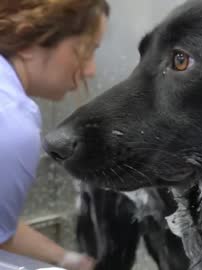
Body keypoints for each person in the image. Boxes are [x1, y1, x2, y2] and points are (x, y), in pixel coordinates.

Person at [0, 1, 109, 269]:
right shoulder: (12, 121)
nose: (91, 70)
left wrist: (66, 259)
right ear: (27, 43)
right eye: (85, 50)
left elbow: (2, 227)